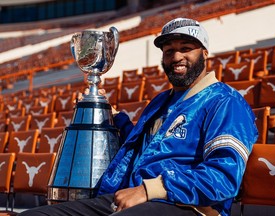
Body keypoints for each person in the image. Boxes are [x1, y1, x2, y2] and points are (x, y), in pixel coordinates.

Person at [19, 17, 258, 216]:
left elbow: (223, 178)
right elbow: (141, 149)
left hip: (189, 206)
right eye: (169, 51)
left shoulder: (225, 102)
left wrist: (149, 190)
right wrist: (107, 115)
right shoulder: (161, 101)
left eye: (186, 49)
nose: (176, 57)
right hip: (130, 197)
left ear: (205, 53)